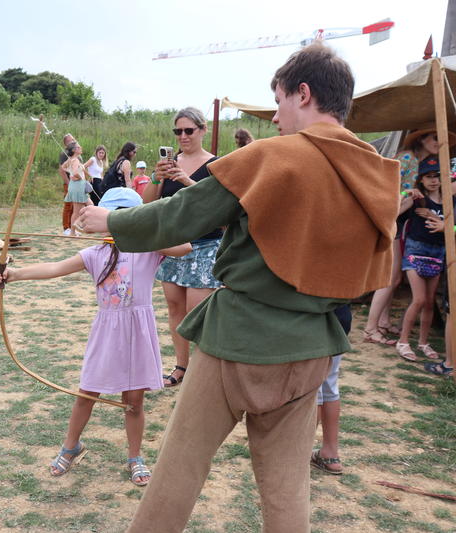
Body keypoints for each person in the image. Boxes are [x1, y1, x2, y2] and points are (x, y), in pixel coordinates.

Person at [76, 42, 399, 532]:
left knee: (178, 470)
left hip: (239, 343)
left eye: (280, 102)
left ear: (304, 93)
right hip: (314, 344)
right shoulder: (377, 171)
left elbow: (182, 215)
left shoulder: (275, 155)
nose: (275, 119)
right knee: (288, 488)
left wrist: (112, 219)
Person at [0, 188, 191, 487]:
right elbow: (54, 268)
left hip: (138, 334)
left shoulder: (149, 249)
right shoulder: (94, 254)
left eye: (126, 217)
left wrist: (138, 229)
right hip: (107, 333)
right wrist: (15, 274)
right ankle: (71, 446)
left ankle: (135, 457)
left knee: (134, 402)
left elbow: (185, 246)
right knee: (87, 394)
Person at [142, 107, 220, 388]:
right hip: (172, 245)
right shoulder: (169, 163)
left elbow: (215, 207)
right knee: (175, 309)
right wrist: (157, 176)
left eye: (189, 130)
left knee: (197, 312)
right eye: (178, 131)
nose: (183, 136)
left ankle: (203, 372)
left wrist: (186, 180)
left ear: (202, 130)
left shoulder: (216, 165)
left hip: (205, 245)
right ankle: (181, 367)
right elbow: (147, 203)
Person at [363, 124, 455, 345]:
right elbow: (388, 189)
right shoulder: (407, 159)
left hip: (400, 221)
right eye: (434, 137)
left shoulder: (419, 163)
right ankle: (370, 329)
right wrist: (408, 195)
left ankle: (382, 322)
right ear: (421, 139)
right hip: (393, 219)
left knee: (392, 278)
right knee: (391, 278)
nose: (437, 141)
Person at [396, 156, 450, 362]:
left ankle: (423, 342)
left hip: (437, 254)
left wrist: (436, 218)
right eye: (428, 177)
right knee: (418, 300)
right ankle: (403, 341)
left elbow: (453, 227)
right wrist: (404, 192)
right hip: (415, 251)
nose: (433, 180)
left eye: (436, 176)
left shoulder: (450, 202)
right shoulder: (417, 199)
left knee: (429, 303)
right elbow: (392, 210)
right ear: (421, 180)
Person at [310, 304, 351, 475]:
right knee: (329, 387)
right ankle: (330, 453)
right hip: (340, 318)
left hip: (314, 319)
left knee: (312, 391)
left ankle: (297, 455)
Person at [62, 142, 92, 236]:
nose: (81, 147)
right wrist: (77, 177)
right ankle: (73, 230)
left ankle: (75, 228)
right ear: (74, 150)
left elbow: (63, 167)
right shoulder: (75, 160)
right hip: (77, 185)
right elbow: (75, 172)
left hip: (76, 185)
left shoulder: (72, 159)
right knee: (76, 211)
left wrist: (88, 176)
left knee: (90, 205)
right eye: (78, 147)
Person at [58, 133, 80, 235]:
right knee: (68, 205)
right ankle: (66, 228)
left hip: (78, 183)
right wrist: (68, 183)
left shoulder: (76, 153)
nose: (74, 141)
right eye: (72, 140)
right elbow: (62, 170)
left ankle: (72, 228)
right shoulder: (64, 154)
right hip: (70, 183)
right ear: (67, 143)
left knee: (74, 206)